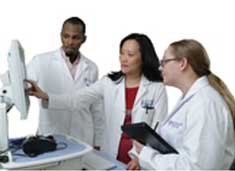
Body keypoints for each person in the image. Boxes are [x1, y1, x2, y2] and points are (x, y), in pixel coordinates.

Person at [26, 33, 168, 164]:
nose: (123, 59)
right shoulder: (109, 82)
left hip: (140, 159)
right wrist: (47, 96)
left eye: (130, 54)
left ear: (143, 58)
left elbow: (158, 130)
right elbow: (77, 99)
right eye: (121, 53)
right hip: (111, 153)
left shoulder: (156, 88)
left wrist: (141, 158)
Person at [127, 39, 235, 170]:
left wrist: (146, 155)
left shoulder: (205, 104)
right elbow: (176, 150)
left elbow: (196, 167)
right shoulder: (191, 100)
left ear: (182, 63)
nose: (160, 67)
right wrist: (142, 159)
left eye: (164, 62)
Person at [26, 17, 104, 149]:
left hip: (83, 137)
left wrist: (98, 141)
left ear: (83, 39)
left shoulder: (91, 67)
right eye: (66, 36)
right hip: (52, 133)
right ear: (60, 36)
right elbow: (20, 83)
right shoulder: (40, 61)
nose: (70, 42)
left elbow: (96, 108)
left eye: (75, 38)